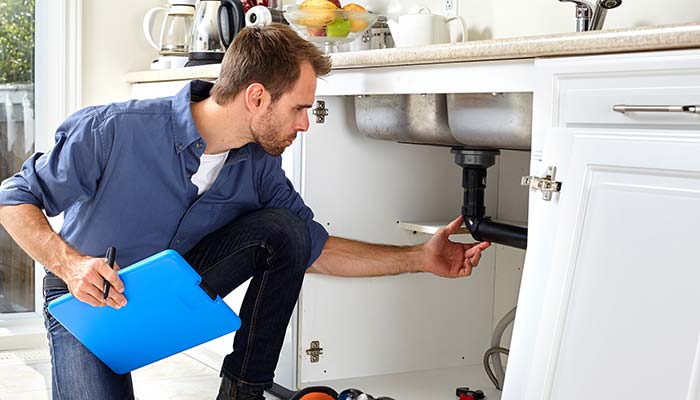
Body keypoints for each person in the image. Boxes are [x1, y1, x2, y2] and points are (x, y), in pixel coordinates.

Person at [0, 24, 490, 400]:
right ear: (257, 97)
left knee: (286, 230)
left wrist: (418, 258)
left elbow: (311, 249)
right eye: (300, 108)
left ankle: (241, 393)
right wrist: (71, 264)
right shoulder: (113, 129)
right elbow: (13, 199)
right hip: (91, 298)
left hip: (172, 286)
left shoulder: (259, 170)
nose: (305, 124)